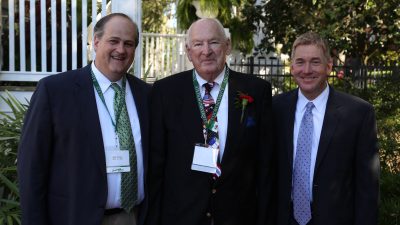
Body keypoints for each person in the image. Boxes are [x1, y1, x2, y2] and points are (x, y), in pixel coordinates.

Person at [17, 13, 150, 225]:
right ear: (96, 42)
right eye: (113, 41)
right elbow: (32, 167)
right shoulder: (55, 91)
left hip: (134, 217)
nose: (121, 50)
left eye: (129, 43)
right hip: (74, 217)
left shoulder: (146, 94)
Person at [145, 18, 274, 225]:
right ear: (188, 51)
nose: (206, 51)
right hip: (182, 217)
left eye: (213, 42)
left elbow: (266, 164)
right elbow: (156, 165)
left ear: (227, 46)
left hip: (238, 217)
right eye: (198, 44)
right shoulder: (165, 92)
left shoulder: (257, 91)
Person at [273, 32, 380, 225]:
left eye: (315, 62)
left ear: (328, 66)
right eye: (300, 62)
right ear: (292, 67)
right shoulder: (274, 109)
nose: (307, 70)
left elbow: (367, 186)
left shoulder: (358, 113)